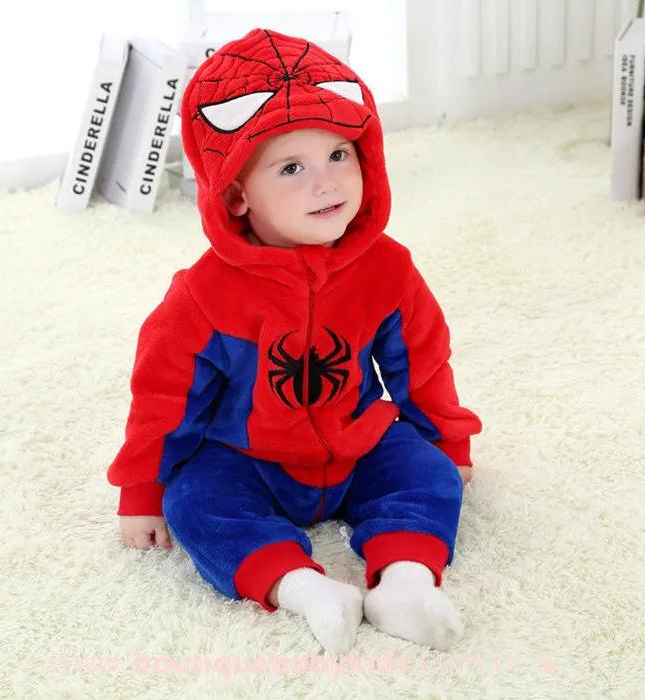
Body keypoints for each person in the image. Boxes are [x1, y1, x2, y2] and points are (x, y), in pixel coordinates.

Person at [107, 28, 483, 656]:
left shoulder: (388, 269)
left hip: (357, 441)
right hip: (246, 454)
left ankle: (406, 582)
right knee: (194, 502)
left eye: (339, 154)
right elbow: (164, 394)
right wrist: (143, 487)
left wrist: (447, 439)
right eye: (291, 168)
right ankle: (303, 588)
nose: (326, 183)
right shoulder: (203, 295)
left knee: (430, 476)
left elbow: (421, 360)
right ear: (235, 195)